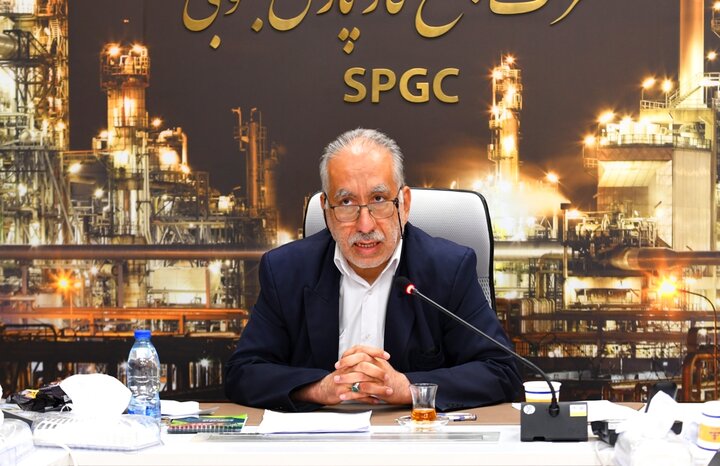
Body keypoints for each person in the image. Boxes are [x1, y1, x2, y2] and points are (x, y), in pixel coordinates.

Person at [225, 128, 521, 412]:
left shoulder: (448, 268)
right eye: (346, 202)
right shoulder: (285, 271)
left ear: (404, 204)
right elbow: (243, 372)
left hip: (415, 437)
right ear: (326, 209)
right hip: (319, 438)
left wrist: (406, 387)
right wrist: (321, 389)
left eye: (379, 200)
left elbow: (501, 371)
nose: (365, 225)